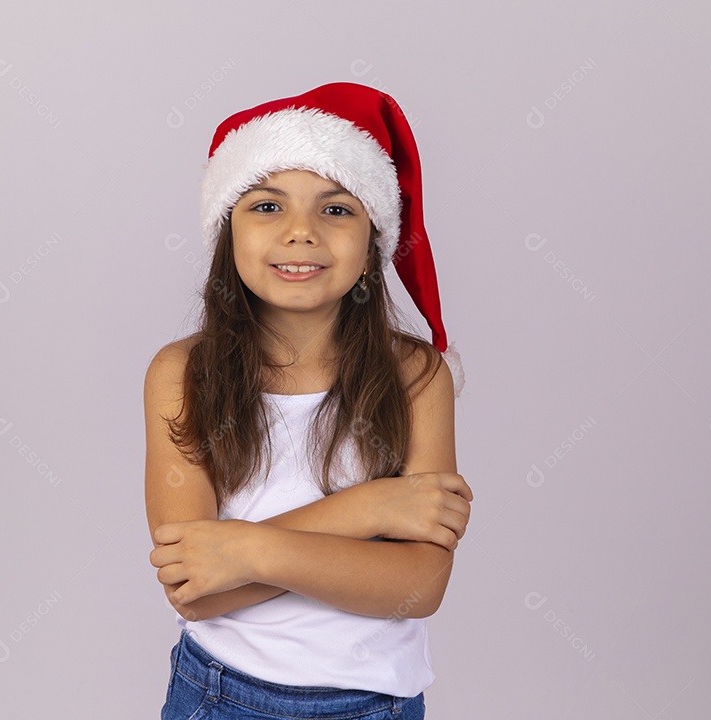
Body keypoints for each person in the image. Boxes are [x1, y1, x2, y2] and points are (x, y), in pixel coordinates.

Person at [144, 82, 473, 720]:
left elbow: (419, 586)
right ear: (226, 231)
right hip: (219, 695)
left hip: (376, 703)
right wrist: (368, 509)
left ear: (374, 237)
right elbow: (194, 589)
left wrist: (239, 549)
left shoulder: (416, 377)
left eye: (336, 209)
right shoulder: (183, 372)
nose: (300, 234)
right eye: (267, 207)